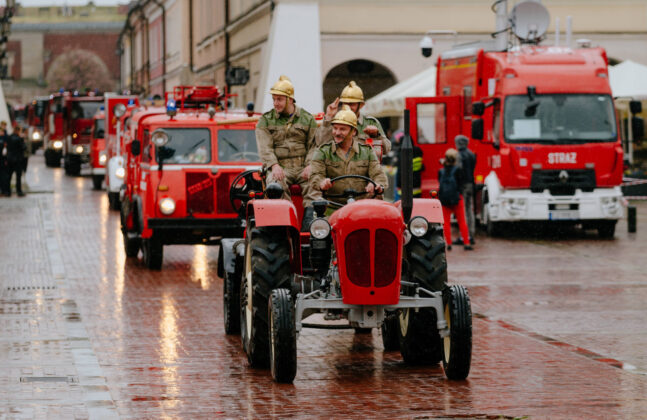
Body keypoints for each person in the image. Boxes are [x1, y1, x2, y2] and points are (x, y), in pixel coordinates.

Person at [255, 75, 318, 230]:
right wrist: (274, 166)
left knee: (316, 182)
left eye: (279, 99)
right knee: (275, 185)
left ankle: (308, 225)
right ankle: (287, 224)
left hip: (303, 166)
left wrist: (310, 166)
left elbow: (314, 146)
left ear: (290, 99)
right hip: (280, 167)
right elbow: (265, 148)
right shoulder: (266, 120)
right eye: (274, 99)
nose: (276, 103)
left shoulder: (307, 119)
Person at [310, 105, 387, 205]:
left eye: (342, 129)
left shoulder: (367, 151)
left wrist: (377, 185)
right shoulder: (323, 151)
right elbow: (315, 175)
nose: (337, 133)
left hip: (361, 207)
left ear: (354, 132)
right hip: (332, 208)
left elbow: (379, 175)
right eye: (335, 128)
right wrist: (321, 183)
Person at [317, 81, 391, 156]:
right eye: (345, 103)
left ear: (361, 105)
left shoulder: (371, 122)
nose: (348, 106)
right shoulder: (334, 122)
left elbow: (386, 149)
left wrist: (376, 136)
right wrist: (329, 117)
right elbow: (320, 144)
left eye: (351, 104)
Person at [438, 148, 472, 251]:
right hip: (457, 199)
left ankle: (448, 243)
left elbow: (440, 182)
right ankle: (466, 243)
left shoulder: (441, 171)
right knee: (462, 222)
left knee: (446, 223)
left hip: (444, 199)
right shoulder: (458, 170)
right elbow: (461, 184)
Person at [455, 134, 476, 245]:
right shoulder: (471, 154)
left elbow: (459, 171)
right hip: (470, 184)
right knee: (469, 210)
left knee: (462, 212)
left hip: (462, 185)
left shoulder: (459, 155)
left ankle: (464, 236)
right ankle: (471, 234)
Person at [6, 126, 27, 197]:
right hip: (17, 160)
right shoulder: (19, 139)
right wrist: (23, 140)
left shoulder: (9, 137)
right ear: (18, 131)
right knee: (18, 176)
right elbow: (24, 147)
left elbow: (7, 147)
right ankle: (19, 191)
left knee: (9, 176)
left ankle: (8, 192)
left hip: (10, 159)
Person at [0, 127, 9, 196]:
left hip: (3, 160)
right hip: (2, 159)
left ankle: (4, 190)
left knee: (3, 175)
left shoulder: (6, 138)